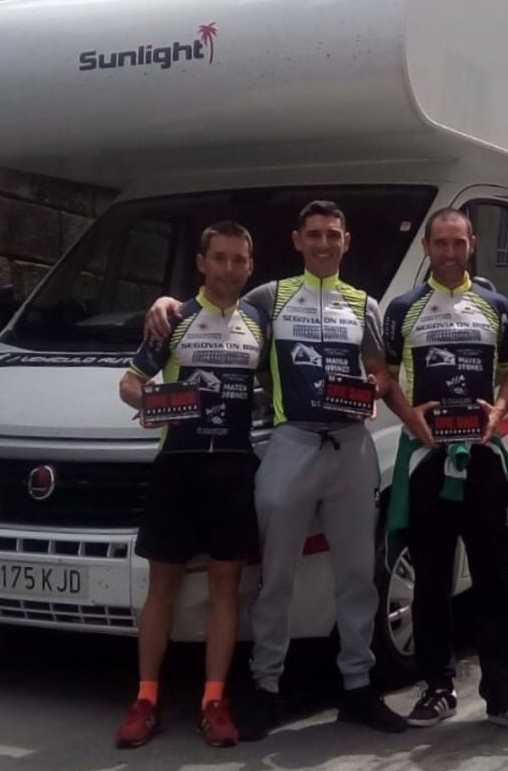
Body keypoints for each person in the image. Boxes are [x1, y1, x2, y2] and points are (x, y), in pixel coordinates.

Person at [146, 200, 406, 739]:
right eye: (314, 234)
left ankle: (358, 687)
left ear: (346, 241)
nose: (323, 243)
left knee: (358, 572)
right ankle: (266, 688)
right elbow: (218, 307)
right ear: (297, 240)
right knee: (276, 577)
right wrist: (166, 301)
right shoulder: (271, 297)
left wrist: (373, 389)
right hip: (291, 443)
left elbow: (381, 372)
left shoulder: (365, 304)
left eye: (333, 234)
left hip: (351, 445)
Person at [381, 208, 508, 734]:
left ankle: (502, 696)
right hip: (428, 459)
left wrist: (499, 412)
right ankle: (437, 688)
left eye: (459, 242)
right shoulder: (403, 309)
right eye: (441, 243)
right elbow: (382, 374)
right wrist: (410, 417)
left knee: (493, 579)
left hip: (482, 457)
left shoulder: (496, 305)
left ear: (472, 243)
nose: (450, 252)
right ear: (426, 246)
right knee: (430, 579)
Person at [114, 221, 268, 749]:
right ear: (201, 263)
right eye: (219, 258)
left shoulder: (258, 321)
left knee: (226, 588)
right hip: (177, 464)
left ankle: (214, 701)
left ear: (250, 267)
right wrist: (149, 404)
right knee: (163, 587)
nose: (229, 268)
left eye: (238, 261)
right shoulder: (174, 318)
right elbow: (129, 382)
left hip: (233, 466)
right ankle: (146, 699)